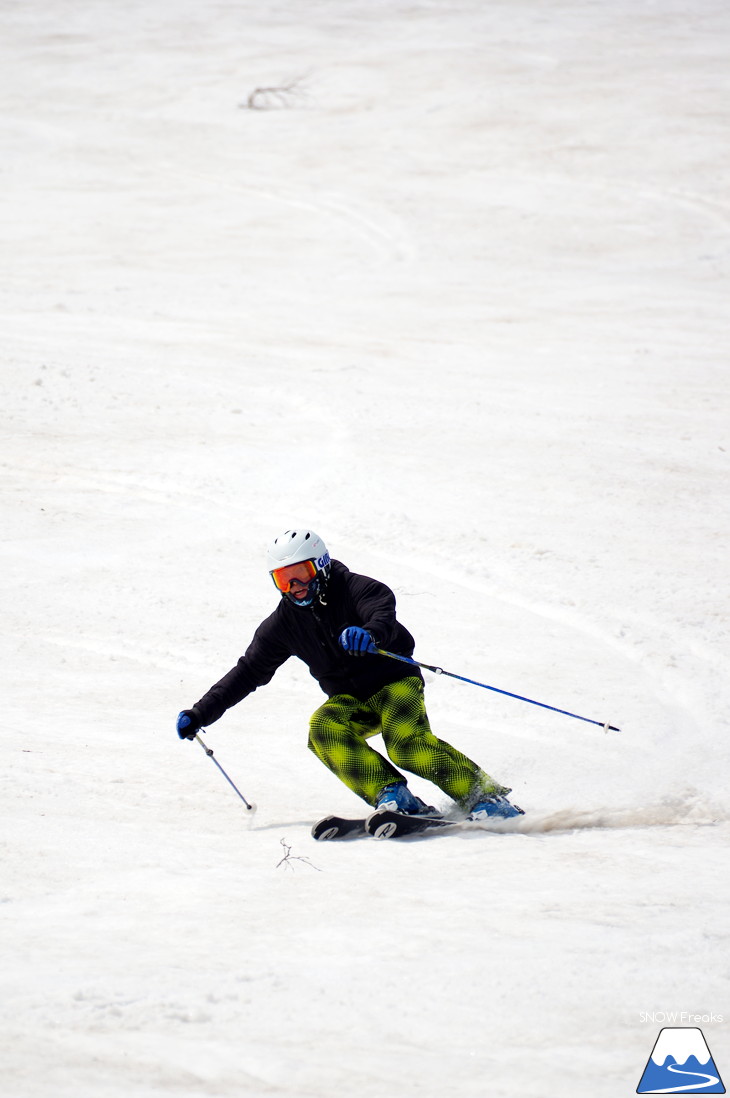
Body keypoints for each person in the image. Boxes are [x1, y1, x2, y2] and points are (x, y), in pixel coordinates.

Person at [177, 529, 523, 820]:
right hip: (351, 699)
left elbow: (381, 610)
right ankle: (395, 798)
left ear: (322, 566)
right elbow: (248, 671)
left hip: (394, 682)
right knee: (323, 728)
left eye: (301, 574)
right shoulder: (282, 625)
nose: (294, 586)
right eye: (283, 579)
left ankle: (485, 797)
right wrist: (200, 713)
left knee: (405, 745)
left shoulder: (356, 588)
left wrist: (370, 634)